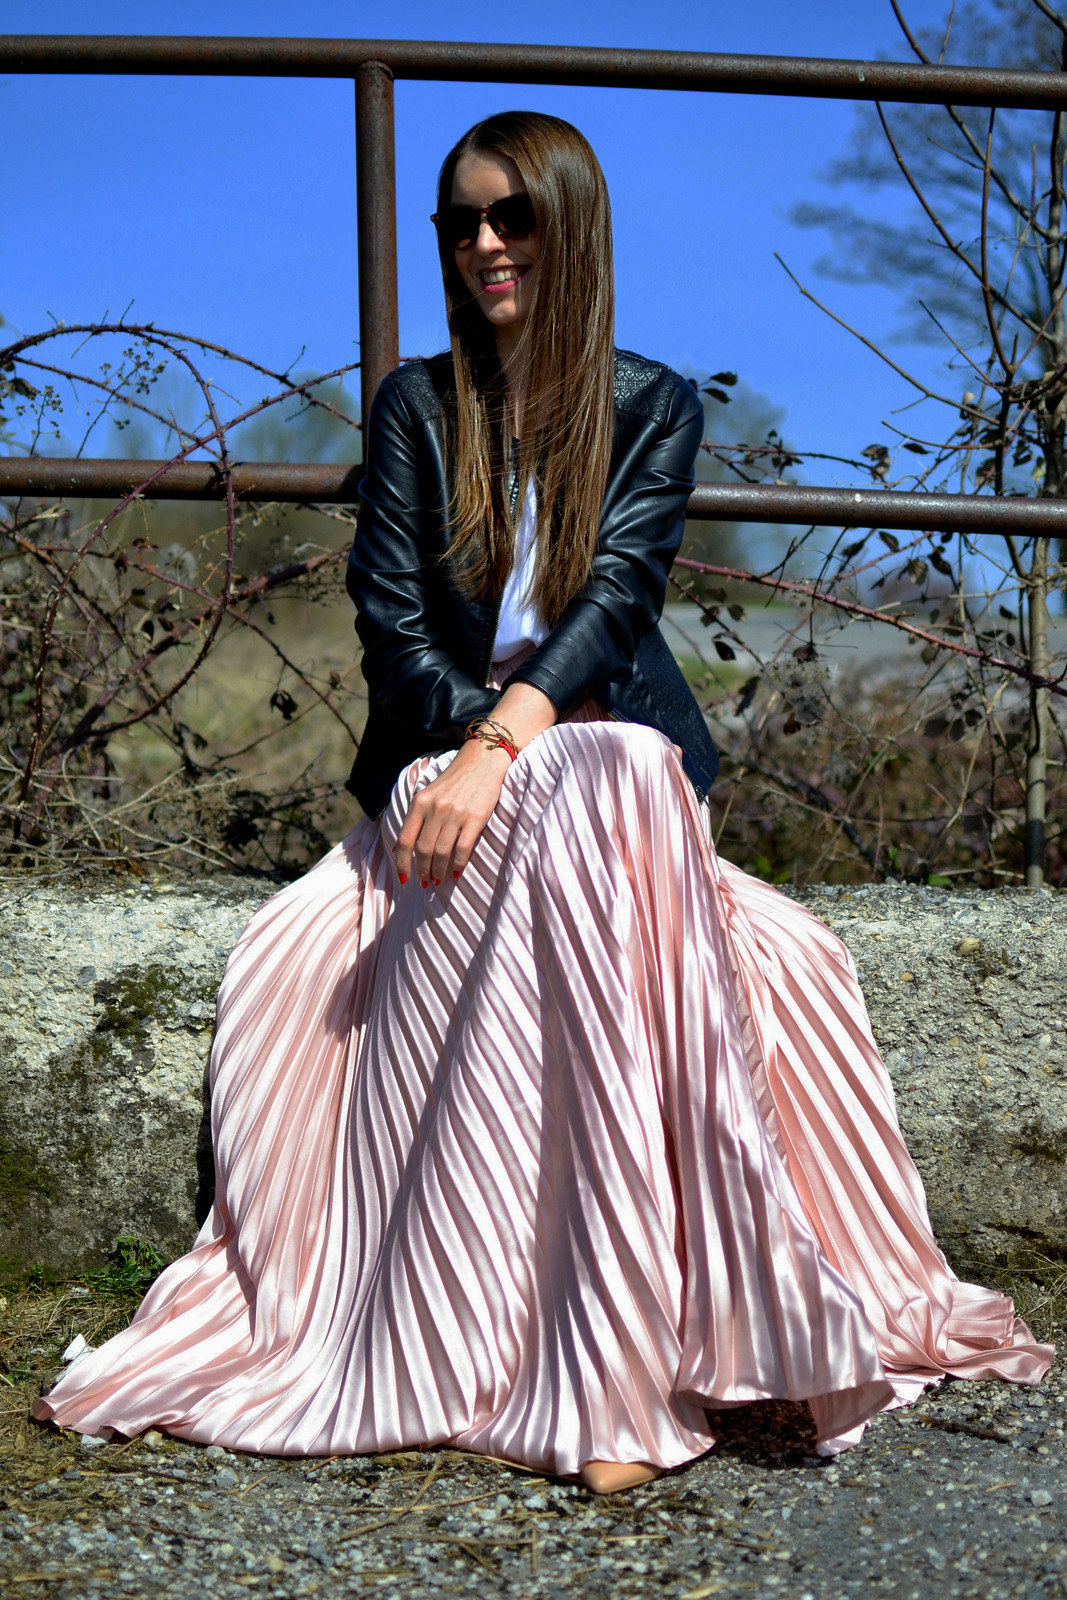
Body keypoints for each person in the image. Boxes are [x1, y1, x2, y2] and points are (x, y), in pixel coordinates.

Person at [33, 110, 1051, 1496]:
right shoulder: (415, 410)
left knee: (613, 770)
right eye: (459, 221)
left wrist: (511, 747)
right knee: (587, 781)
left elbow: (618, 599)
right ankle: (606, 1373)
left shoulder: (652, 406)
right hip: (439, 763)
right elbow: (396, 631)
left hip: (594, 770)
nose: (483, 244)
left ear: (571, 229)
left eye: (511, 216)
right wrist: (480, 747)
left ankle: (621, 1354)